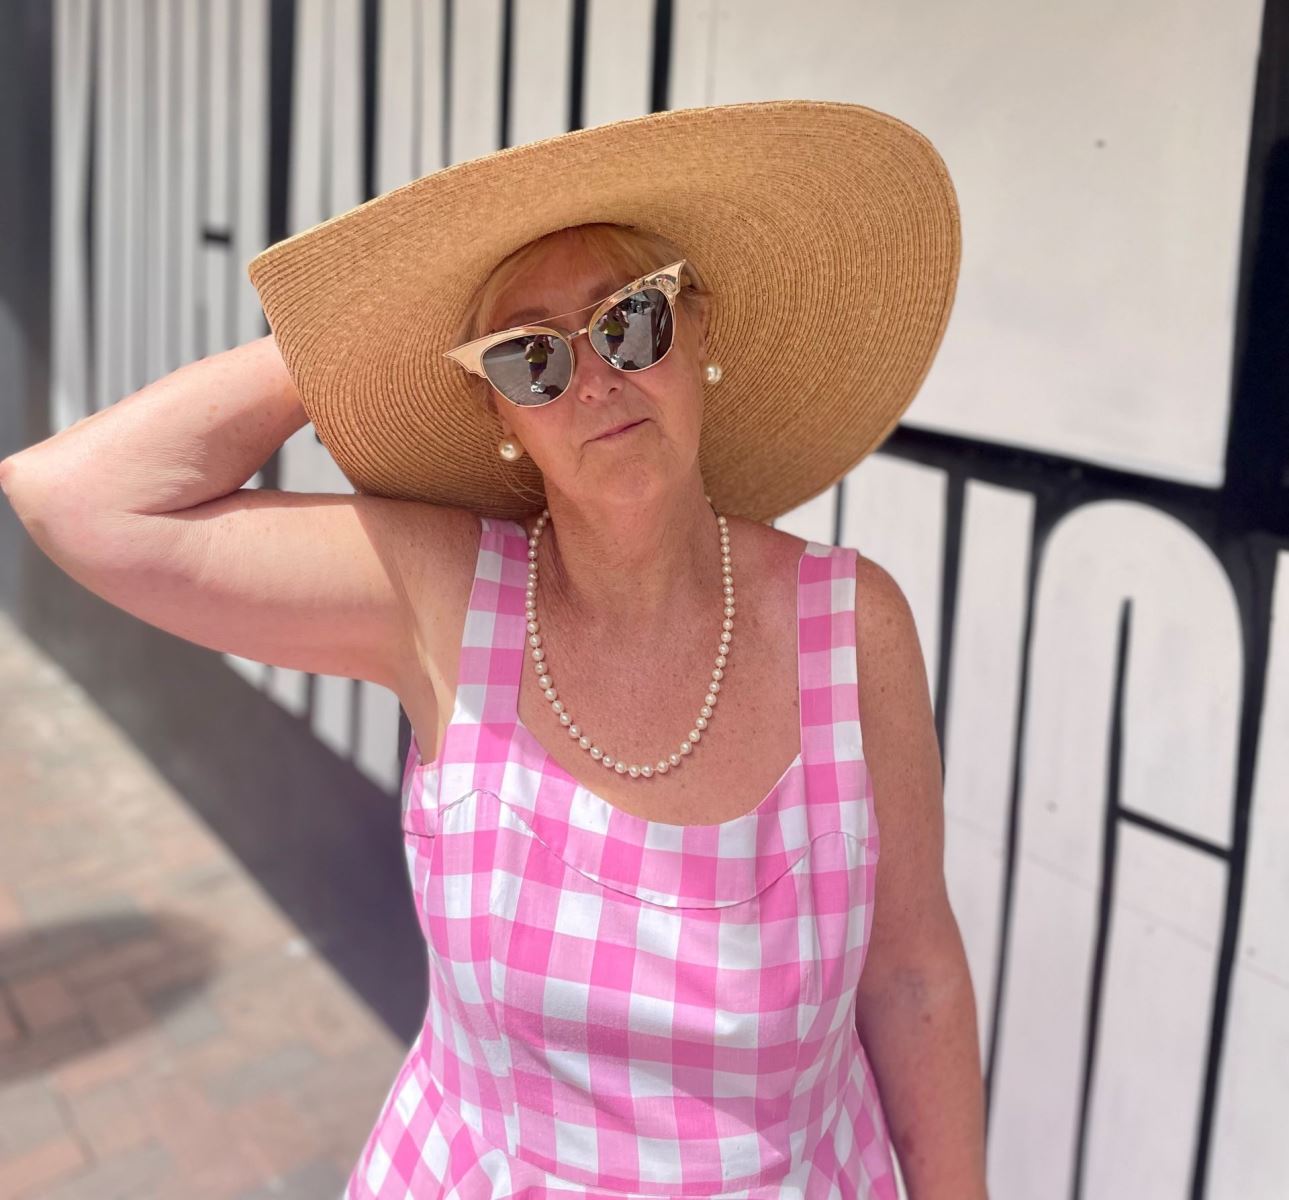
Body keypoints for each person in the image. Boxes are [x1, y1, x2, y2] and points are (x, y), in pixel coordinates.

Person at [0, 101, 987, 1198]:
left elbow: (910, 976)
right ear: (499, 414)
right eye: (529, 361)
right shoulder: (443, 599)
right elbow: (77, 501)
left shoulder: (852, 628)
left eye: (631, 322)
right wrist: (342, 343)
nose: (594, 380)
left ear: (699, 332)